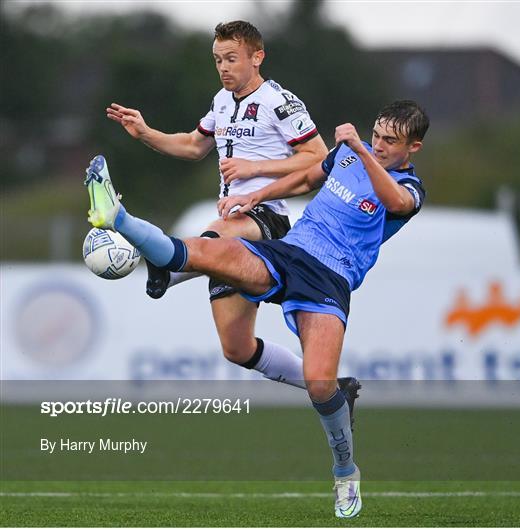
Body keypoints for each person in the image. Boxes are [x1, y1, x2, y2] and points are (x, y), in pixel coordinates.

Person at [85, 99, 430, 517]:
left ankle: (345, 472)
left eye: (390, 141)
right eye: (376, 135)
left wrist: (359, 149)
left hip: (331, 277)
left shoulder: (408, 187)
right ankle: (120, 219)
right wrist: (257, 194)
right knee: (205, 250)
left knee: (321, 384)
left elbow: (393, 201)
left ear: (413, 147)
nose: (378, 145)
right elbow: (306, 178)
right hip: (290, 252)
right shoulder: (347, 154)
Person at [105, 20, 349, 398]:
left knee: (218, 231)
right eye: (218, 59)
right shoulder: (221, 101)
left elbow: (318, 157)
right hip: (234, 220)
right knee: (237, 348)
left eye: (231, 58)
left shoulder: (279, 101)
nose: (223, 67)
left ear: (257, 57)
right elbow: (191, 145)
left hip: (266, 219)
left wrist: (256, 169)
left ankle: (167, 269)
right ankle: (332, 389)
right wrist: (146, 133)